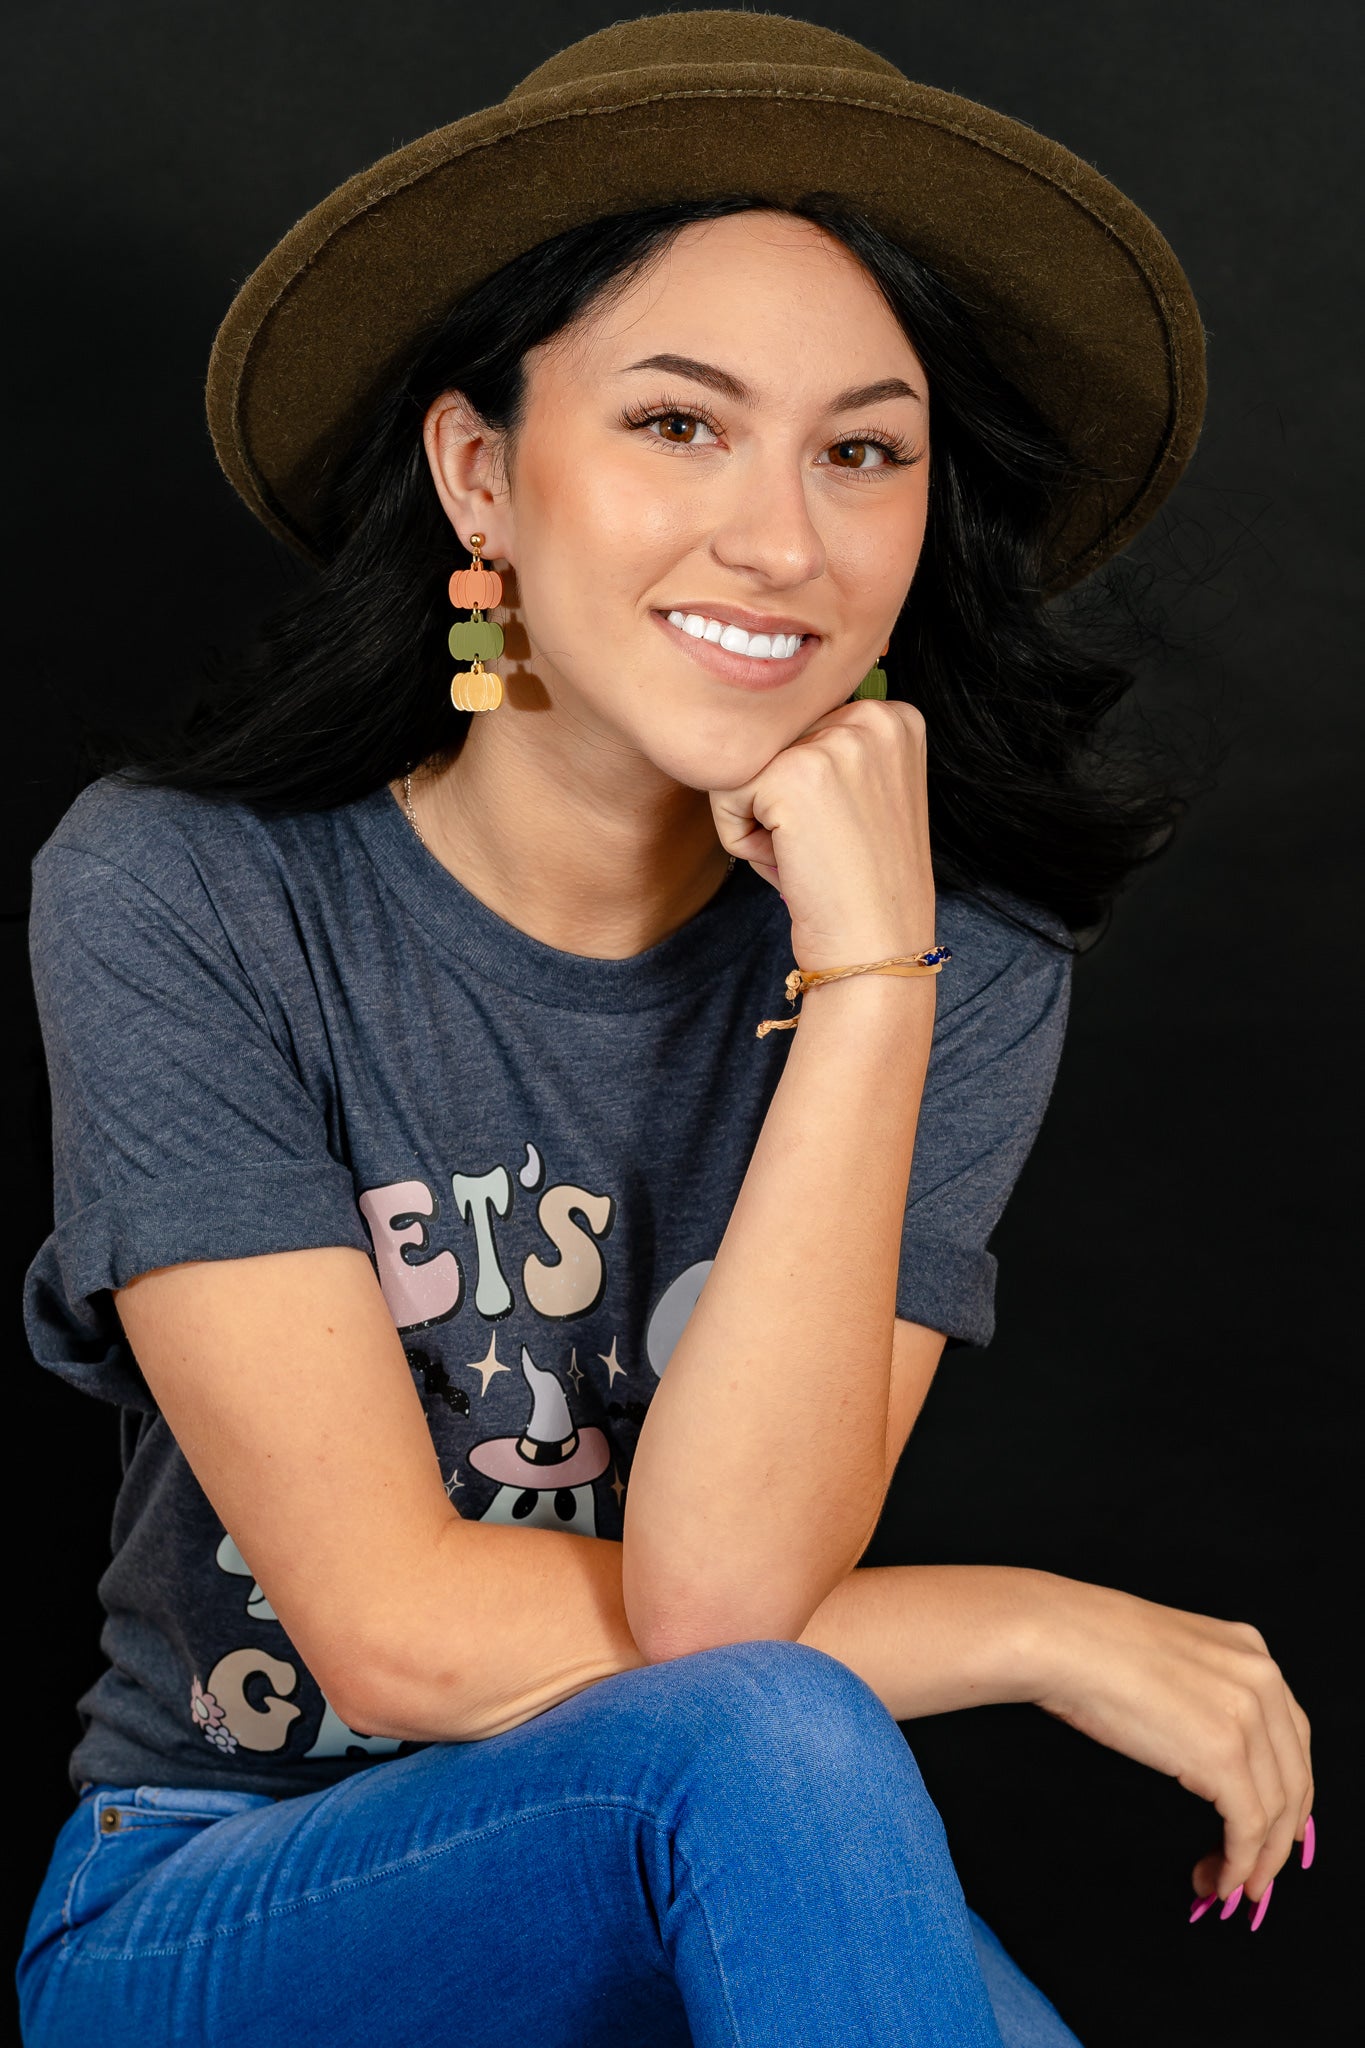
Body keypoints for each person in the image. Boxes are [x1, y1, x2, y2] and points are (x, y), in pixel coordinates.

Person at [16, 11, 1314, 2046]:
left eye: (858, 450)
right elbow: (402, 1638)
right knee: (774, 1742)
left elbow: (729, 1601)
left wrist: (870, 979)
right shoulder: (184, 890)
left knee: (775, 1759)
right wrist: (1026, 1627)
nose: (780, 540)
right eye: (676, 423)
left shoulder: (956, 960)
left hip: (710, 1840)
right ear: (481, 474)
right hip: (218, 1899)